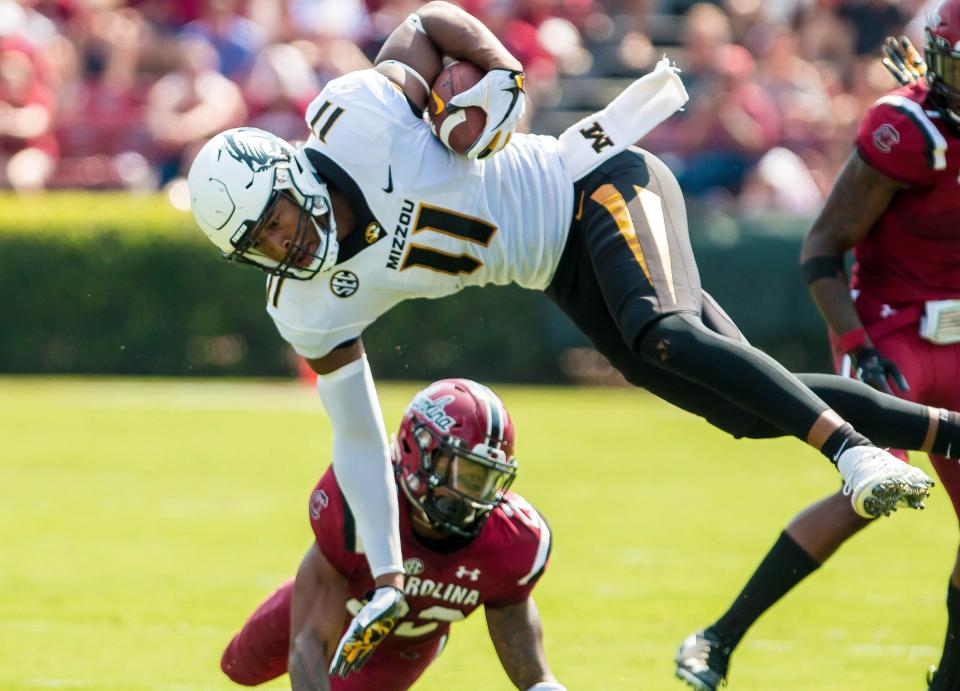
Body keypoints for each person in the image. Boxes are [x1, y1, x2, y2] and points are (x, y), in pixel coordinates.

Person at [186, 1, 940, 676]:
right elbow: (357, 436)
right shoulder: (305, 301)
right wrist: (387, 575)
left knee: (665, 334)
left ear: (290, 176)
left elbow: (426, 23)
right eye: (258, 243)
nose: (282, 244)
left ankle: (851, 452)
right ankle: (947, 433)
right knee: (741, 404)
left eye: (278, 219)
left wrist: (501, 68)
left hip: (593, 182)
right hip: (557, 269)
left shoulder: (357, 120)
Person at [675, 11, 960, 690]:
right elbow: (821, 249)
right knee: (873, 489)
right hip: (891, 330)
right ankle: (718, 637)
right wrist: (859, 346)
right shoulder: (907, 130)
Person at [219, 378, 564, 691]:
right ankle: (304, 590)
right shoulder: (358, 499)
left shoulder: (513, 537)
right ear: (418, 451)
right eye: (465, 475)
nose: (474, 496)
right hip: (337, 597)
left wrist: (541, 685)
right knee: (240, 665)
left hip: (406, 646)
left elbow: (511, 612)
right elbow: (307, 643)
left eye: (488, 480)